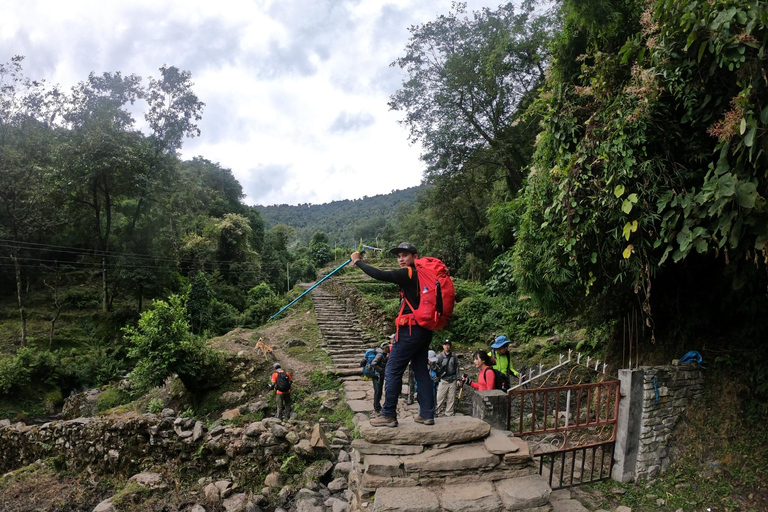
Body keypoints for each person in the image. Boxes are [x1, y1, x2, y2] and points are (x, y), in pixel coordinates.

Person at [351, 242, 435, 427]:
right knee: (421, 370)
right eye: (398, 256)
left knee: (392, 369)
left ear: (414, 256)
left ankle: (388, 414)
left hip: (410, 330)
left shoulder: (409, 273)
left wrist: (357, 262)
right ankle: (427, 414)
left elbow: (381, 275)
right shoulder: (422, 276)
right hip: (424, 330)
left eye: (405, 255)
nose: (401, 259)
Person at [360, 344, 389, 415]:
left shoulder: (383, 354)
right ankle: (377, 408)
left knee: (379, 391)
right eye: (388, 347)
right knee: (378, 391)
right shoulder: (380, 355)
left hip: (379, 375)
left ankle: (378, 407)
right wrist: (381, 370)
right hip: (376, 375)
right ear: (385, 348)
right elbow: (373, 363)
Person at [435, 339, 460, 416]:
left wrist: (458, 379)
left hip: (452, 379)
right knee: (440, 397)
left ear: (450, 346)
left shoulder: (454, 356)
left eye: (448, 345)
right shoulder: (439, 356)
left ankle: (449, 413)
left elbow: (457, 368)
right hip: (443, 380)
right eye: (445, 344)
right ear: (443, 346)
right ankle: (437, 412)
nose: (447, 346)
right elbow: (435, 367)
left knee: (451, 398)